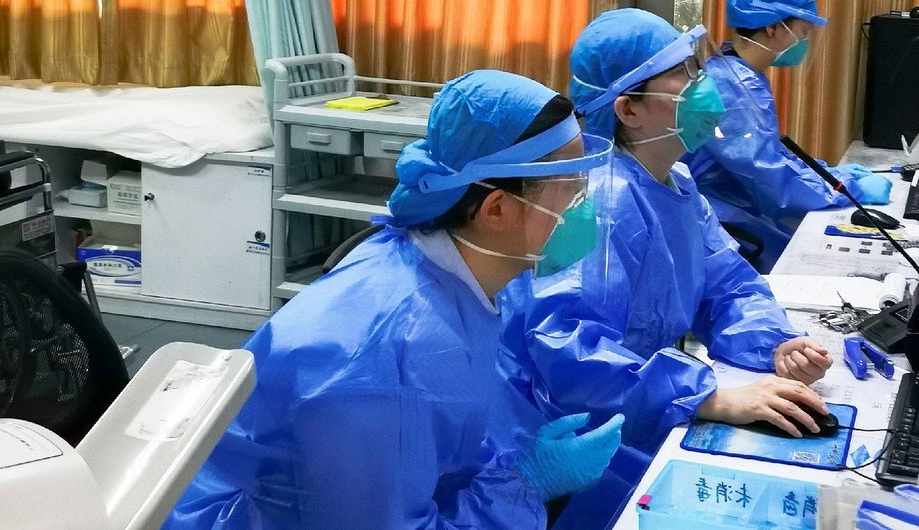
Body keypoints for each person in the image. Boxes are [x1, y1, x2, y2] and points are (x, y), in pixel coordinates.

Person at [164, 70, 624, 529]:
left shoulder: (446, 270)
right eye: (572, 189)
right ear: (497, 209)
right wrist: (525, 484)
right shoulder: (393, 358)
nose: (587, 208)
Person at [498, 9, 833, 527]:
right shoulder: (600, 202)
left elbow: (727, 285)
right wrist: (708, 396)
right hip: (576, 432)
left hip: (639, 399)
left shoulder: (675, 182)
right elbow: (569, 350)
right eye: (685, 74)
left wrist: (775, 344)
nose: (704, 85)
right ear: (630, 109)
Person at [682, 0, 893, 272]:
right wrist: (849, 190)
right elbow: (768, 174)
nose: (805, 41)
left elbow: (771, 154)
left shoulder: (737, 74)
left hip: (738, 211)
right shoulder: (734, 88)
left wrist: (828, 174)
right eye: (803, 32)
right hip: (725, 226)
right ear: (772, 28)